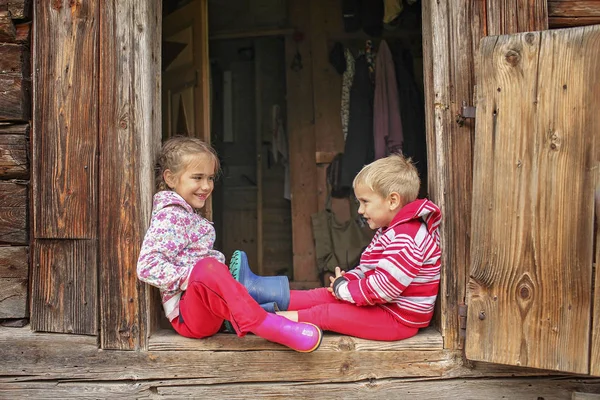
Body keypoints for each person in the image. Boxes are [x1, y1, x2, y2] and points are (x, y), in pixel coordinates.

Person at [136, 136, 322, 352]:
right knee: (207, 268)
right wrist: (196, 275)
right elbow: (147, 266)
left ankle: (329, 301)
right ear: (170, 178)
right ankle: (267, 325)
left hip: (208, 307)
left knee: (264, 291)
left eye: (210, 178)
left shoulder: (187, 215)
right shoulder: (170, 216)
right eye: (197, 177)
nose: (206, 186)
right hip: (189, 316)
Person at [230, 153, 441, 341]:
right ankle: (256, 290)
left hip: (397, 319)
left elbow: (383, 289)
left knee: (327, 313)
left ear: (392, 201)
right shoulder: (391, 230)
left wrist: (344, 289)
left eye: (365, 202)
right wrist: (347, 280)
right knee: (323, 295)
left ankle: (257, 321)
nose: (360, 210)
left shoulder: (408, 236)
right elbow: (369, 269)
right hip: (383, 307)